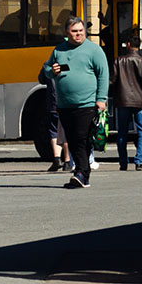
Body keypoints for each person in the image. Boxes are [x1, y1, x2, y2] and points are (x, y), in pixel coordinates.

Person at [43, 16, 108, 189]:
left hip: (87, 103)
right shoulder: (59, 50)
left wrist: (101, 99)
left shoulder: (94, 50)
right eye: (74, 31)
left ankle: (81, 173)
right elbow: (46, 70)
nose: (78, 34)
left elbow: (103, 74)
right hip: (65, 105)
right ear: (67, 33)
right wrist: (52, 70)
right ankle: (83, 174)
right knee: (72, 140)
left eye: (81, 31)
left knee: (81, 138)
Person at [110, 34, 142, 171]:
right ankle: (139, 162)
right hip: (141, 102)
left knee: (122, 132)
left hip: (123, 101)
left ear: (129, 45)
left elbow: (112, 81)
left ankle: (123, 162)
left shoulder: (119, 61)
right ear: (139, 46)